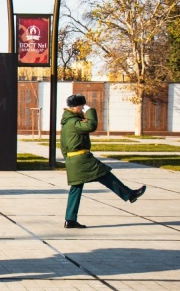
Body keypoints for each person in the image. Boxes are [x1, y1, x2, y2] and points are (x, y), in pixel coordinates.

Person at [61, 94, 147, 228]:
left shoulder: (68, 121)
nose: (83, 109)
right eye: (82, 106)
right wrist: (90, 110)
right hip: (81, 159)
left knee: (77, 188)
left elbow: (63, 144)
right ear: (77, 107)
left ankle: (70, 219)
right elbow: (91, 125)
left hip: (75, 159)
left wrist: (68, 159)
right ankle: (129, 194)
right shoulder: (73, 122)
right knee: (105, 175)